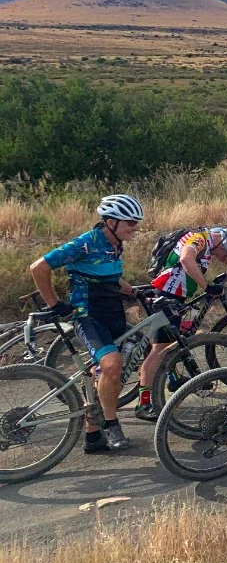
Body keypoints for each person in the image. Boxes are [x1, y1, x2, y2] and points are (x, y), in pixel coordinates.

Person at [28, 194, 144, 453]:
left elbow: (109, 276)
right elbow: (39, 268)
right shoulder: (86, 243)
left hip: (113, 312)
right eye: (131, 223)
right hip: (89, 316)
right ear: (111, 221)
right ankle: (111, 423)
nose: (135, 228)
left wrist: (134, 291)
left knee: (104, 374)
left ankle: (92, 436)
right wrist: (55, 304)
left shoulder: (116, 243)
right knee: (112, 366)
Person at [134, 224, 227, 420]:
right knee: (159, 351)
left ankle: (172, 378)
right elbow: (186, 258)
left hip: (175, 297)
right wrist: (206, 286)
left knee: (173, 343)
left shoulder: (210, 243)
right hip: (166, 296)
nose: (224, 256)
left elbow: (223, 256)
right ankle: (144, 403)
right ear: (223, 241)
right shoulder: (198, 239)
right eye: (226, 250)